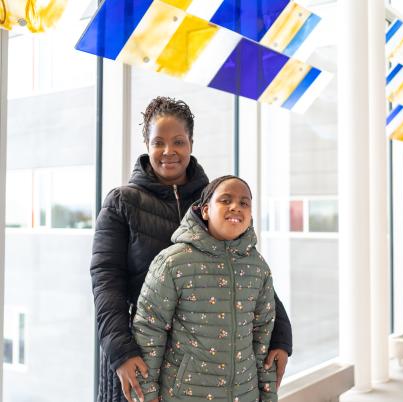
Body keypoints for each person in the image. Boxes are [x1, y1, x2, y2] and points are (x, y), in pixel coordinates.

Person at [90, 97, 292, 402]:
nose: (169, 151)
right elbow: (106, 280)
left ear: (191, 143)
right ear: (146, 144)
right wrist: (121, 349)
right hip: (140, 351)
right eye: (158, 142)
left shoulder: (214, 199)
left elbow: (245, 268)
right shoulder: (122, 202)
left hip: (206, 366)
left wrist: (281, 335)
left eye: (178, 142)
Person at [131, 175, 277, 402]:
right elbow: (149, 328)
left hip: (245, 395)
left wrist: (267, 395)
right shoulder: (173, 262)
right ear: (206, 210)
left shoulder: (258, 268)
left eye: (244, 203)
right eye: (225, 200)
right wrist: (147, 394)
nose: (235, 207)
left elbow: (263, 333)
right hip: (184, 395)